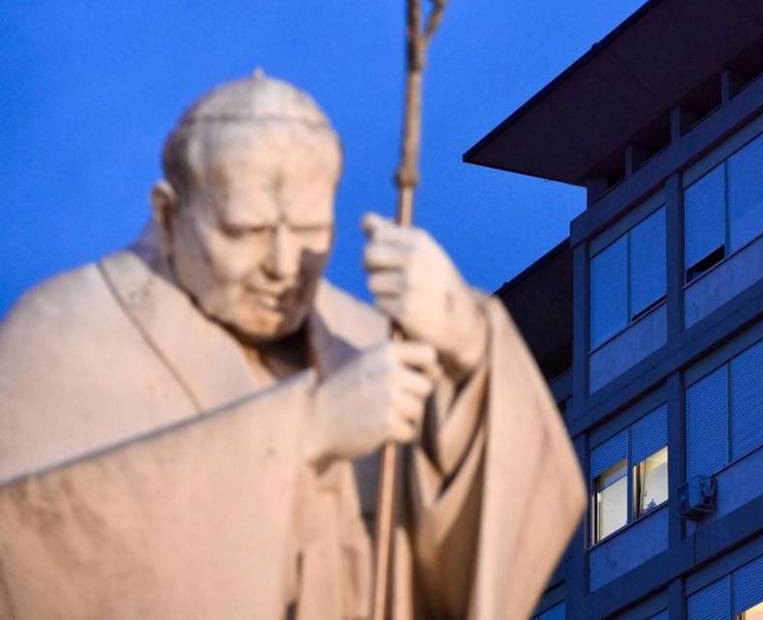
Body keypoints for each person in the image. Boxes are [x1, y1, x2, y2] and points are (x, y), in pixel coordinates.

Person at [0, 73, 583, 619]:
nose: (283, 265)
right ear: (169, 212)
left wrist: (468, 351)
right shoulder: (64, 329)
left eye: (310, 231)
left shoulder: (364, 343)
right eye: (245, 231)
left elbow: (482, 571)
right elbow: (35, 549)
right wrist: (306, 433)